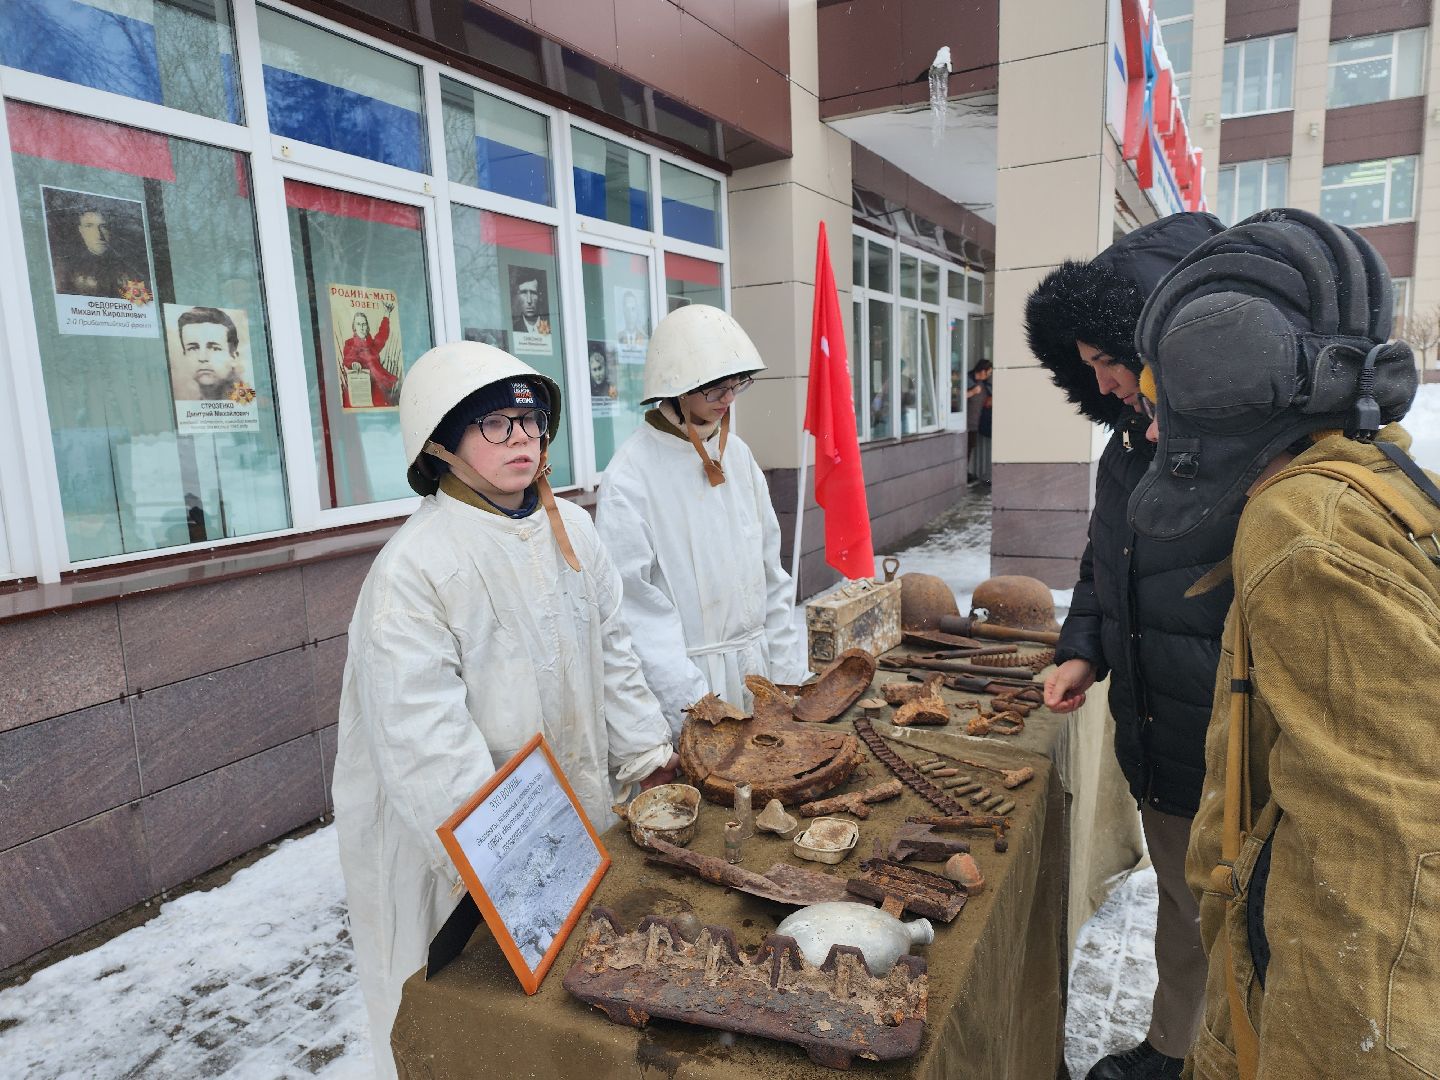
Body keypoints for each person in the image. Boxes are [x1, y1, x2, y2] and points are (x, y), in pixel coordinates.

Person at [1129, 209, 1438, 1080]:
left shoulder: (1303, 526)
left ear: (1228, 380)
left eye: (1165, 399)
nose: (1153, 431)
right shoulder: (1374, 481)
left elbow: (1380, 888)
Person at [332, 341, 678, 1079]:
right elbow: (426, 748)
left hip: (577, 830)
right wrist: (512, 879)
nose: (523, 438)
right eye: (495, 423)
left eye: (532, 421)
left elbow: (614, 653)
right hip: (463, 866)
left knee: (577, 1033)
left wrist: (651, 759)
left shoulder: (571, 530)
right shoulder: (414, 572)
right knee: (474, 1042)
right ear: (440, 441)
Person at [1024, 211, 1227, 1080]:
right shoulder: (1126, 450)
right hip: (1160, 730)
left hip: (1228, 744)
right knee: (1183, 906)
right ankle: (1176, 1049)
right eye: (1090, 368)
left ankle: (1212, 1057)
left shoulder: (1240, 454)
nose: (1102, 384)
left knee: (1228, 919)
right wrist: (1082, 647)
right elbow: (1106, 561)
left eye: (1110, 360)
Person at [595, 304, 807, 735]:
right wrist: (695, 705)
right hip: (692, 687)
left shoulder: (739, 456)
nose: (728, 400)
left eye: (736, 386)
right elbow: (634, 612)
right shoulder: (631, 475)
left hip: (759, 674)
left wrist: (786, 674)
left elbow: (771, 573)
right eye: (715, 390)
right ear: (675, 388)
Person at [52, 205, 147, 299]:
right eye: (89, 226)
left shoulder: (128, 268)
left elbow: (140, 304)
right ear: (81, 230)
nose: (98, 234)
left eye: (103, 226)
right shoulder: (65, 268)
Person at [174, 306, 244, 402]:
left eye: (215, 349)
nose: (202, 357)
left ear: (233, 357)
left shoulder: (248, 404)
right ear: (184, 356)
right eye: (193, 348)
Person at [340, 304, 399, 409]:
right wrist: (354, 363)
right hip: (360, 386)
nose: (362, 327)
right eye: (358, 324)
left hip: (377, 385)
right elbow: (348, 358)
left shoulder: (373, 345)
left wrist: (387, 315)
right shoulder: (350, 343)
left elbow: (382, 334)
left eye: (364, 324)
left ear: (367, 327)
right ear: (354, 327)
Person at [965, 359, 993, 483]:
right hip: (964, 424)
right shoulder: (967, 381)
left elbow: (987, 401)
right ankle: (963, 474)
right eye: (989, 372)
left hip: (975, 424)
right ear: (982, 371)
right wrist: (971, 392)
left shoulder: (984, 385)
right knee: (964, 450)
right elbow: (956, 398)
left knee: (969, 449)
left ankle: (965, 472)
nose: (989, 375)